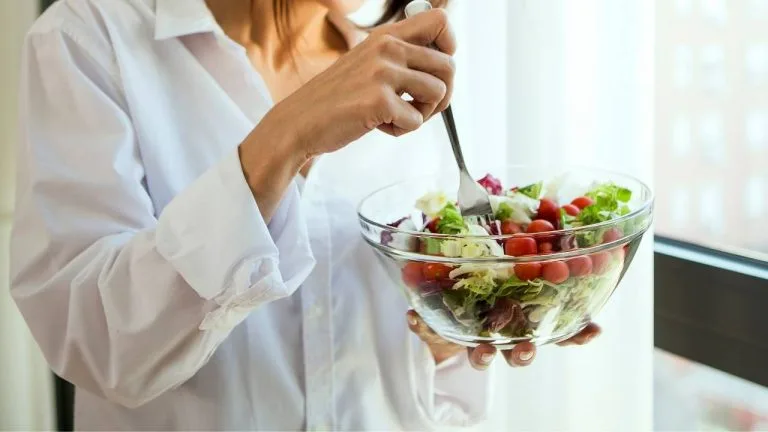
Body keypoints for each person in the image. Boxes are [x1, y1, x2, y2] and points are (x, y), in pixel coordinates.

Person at [10, 0, 601, 430]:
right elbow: (96, 345)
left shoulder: (404, 74)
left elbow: (421, 382)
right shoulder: (87, 39)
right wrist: (284, 138)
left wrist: (452, 332)